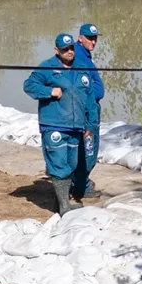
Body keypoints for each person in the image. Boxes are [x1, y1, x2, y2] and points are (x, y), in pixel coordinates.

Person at [23, 33, 98, 215]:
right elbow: (29, 85)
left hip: (75, 126)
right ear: (57, 50)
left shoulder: (81, 68)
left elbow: (90, 99)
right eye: (65, 49)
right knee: (58, 164)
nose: (69, 51)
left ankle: (61, 203)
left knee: (71, 164)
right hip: (54, 124)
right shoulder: (47, 67)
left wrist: (90, 125)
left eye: (71, 48)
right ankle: (64, 207)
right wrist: (49, 91)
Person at [72, 22, 107, 201]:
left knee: (84, 150)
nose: (93, 42)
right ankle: (81, 187)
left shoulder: (84, 55)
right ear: (80, 37)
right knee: (88, 151)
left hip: (89, 109)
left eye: (95, 38)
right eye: (89, 38)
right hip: (86, 112)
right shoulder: (78, 57)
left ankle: (80, 182)